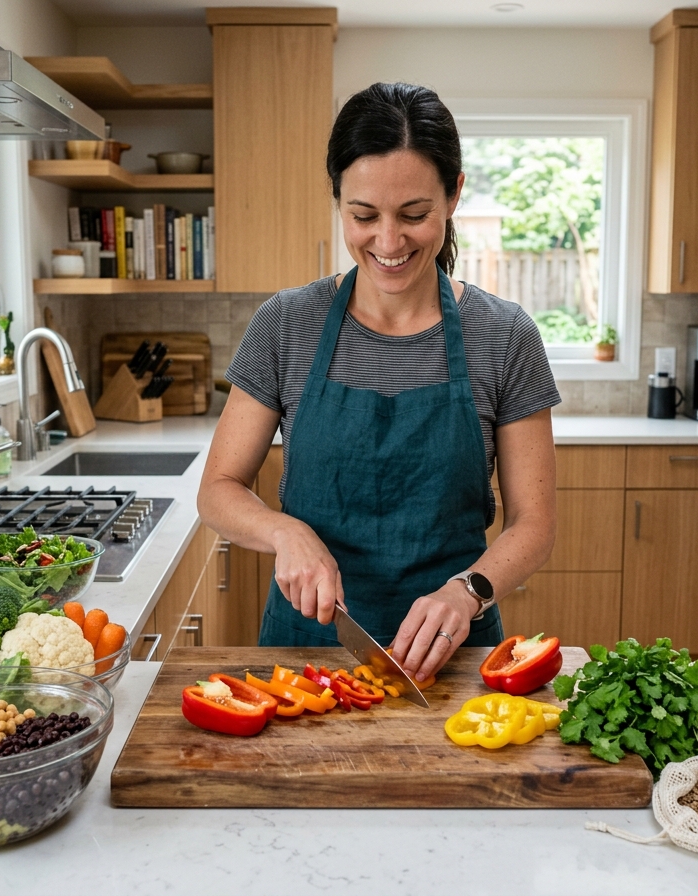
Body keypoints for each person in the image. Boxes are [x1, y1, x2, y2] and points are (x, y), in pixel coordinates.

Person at [198, 82, 560, 682]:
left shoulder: (504, 334)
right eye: (363, 215)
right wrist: (283, 531)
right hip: (305, 654)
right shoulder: (286, 323)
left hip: (457, 654)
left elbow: (535, 524)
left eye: (414, 215)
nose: (388, 242)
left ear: (454, 195)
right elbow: (218, 489)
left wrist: (470, 590)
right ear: (338, 199)